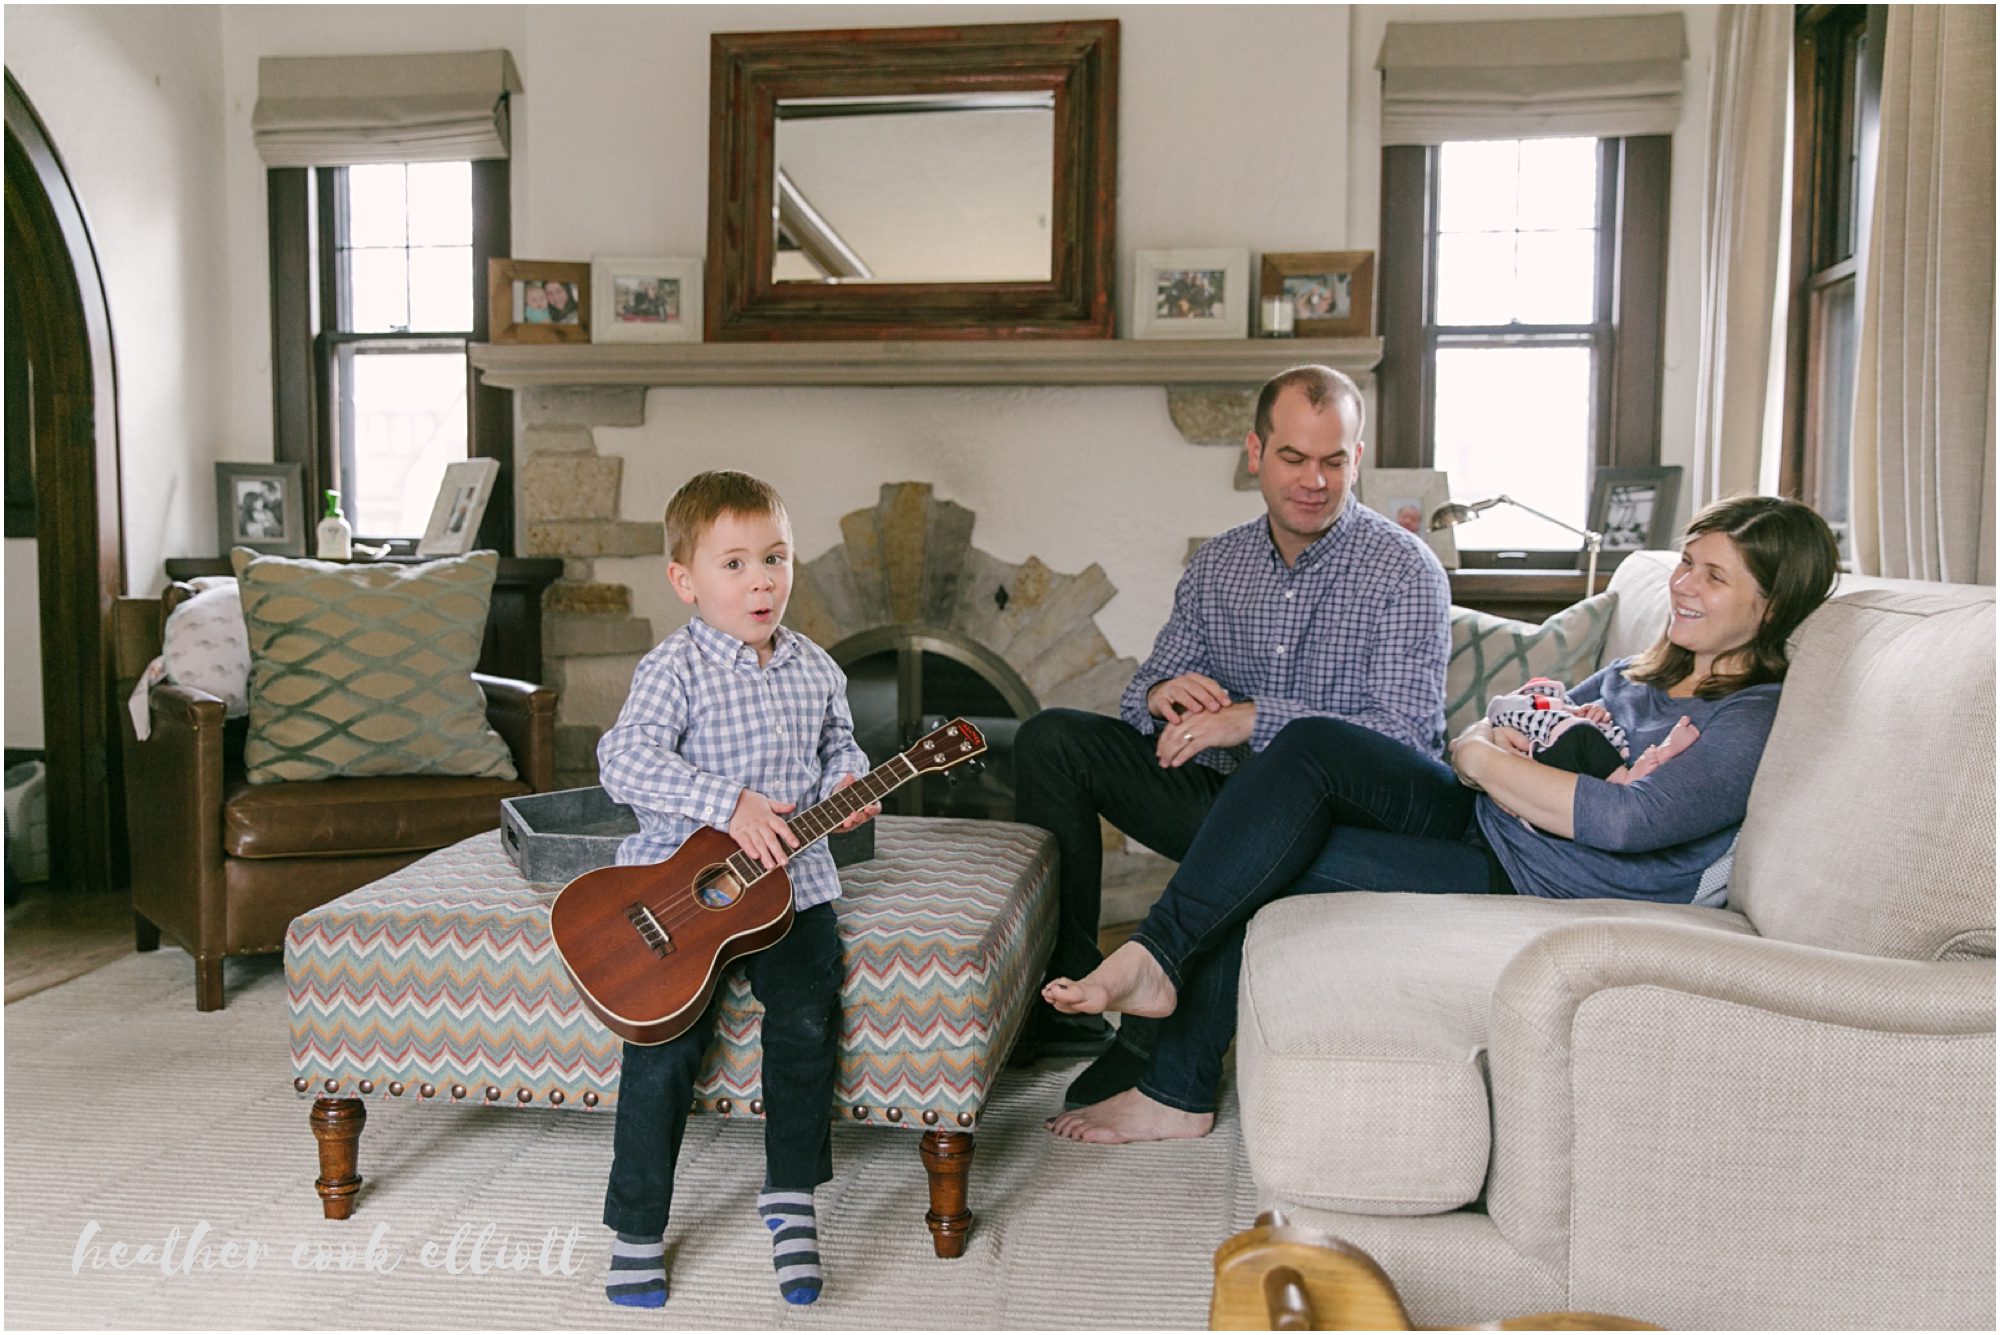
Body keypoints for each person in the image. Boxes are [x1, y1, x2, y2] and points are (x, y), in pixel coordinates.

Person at [1041, 495, 1842, 1144]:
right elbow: (1508, 722)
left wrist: (1491, 761)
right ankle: (1156, 958)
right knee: (1313, 742)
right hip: (1481, 816)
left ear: (1771, 607)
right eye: (1687, 565)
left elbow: (1623, 821)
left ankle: (1174, 1081)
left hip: (1520, 876)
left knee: (1277, 859)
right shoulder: (1641, 672)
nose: (1683, 586)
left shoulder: (1743, 720)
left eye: (1714, 577)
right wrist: (1491, 759)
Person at [1011, 364, 1452, 1101]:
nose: (1314, 479)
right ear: (1255, 453)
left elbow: (1405, 737)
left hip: (1346, 825)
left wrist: (1256, 716)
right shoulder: (1219, 565)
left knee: (1272, 781)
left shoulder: (1404, 570)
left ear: (1358, 459)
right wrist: (1160, 694)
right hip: (1225, 798)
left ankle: (1154, 1037)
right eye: (1294, 457)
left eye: (1334, 460)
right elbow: (1144, 691)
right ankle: (1071, 1003)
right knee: (1052, 738)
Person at [594, 470, 881, 1308]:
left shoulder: (817, 667)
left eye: (776, 557)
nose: (762, 579)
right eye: (735, 563)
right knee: (662, 1046)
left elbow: (841, 751)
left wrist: (853, 777)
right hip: (684, 894)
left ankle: (790, 1195)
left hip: (795, 888)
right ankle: (638, 1225)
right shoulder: (673, 668)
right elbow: (625, 760)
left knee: (803, 1019)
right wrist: (730, 802)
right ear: (685, 580)